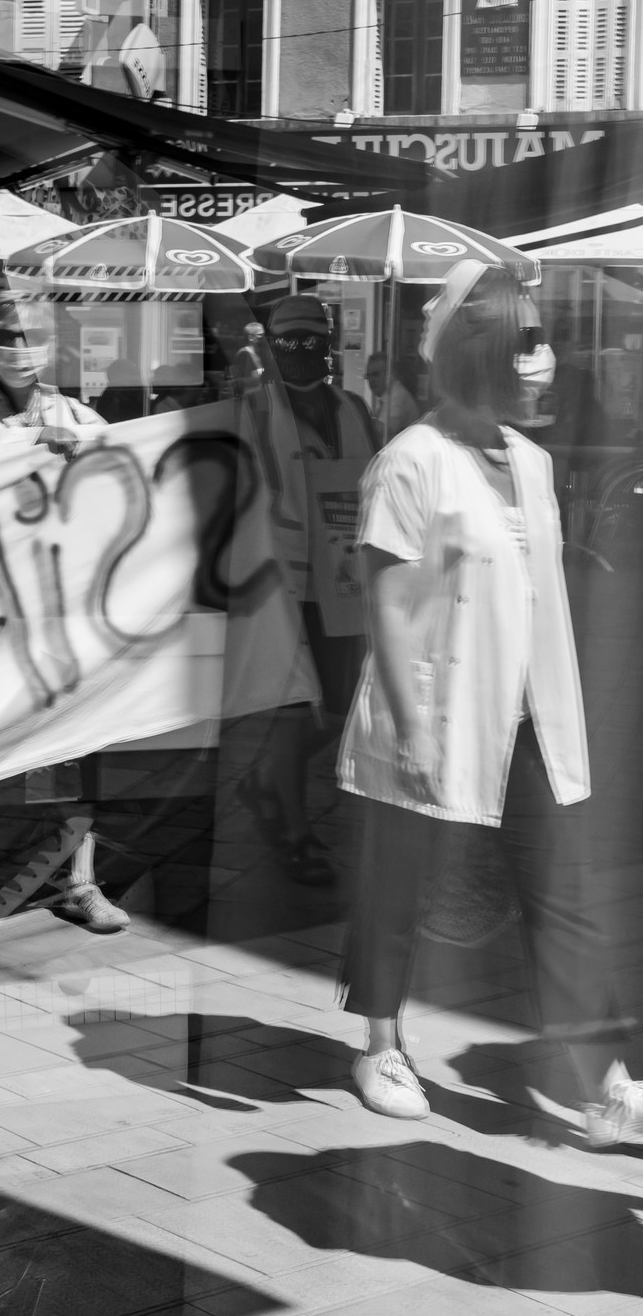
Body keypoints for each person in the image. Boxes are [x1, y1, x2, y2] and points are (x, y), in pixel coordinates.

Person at [339, 260, 643, 1144]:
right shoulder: (410, 462)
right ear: (482, 355)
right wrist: (407, 727)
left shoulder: (536, 463)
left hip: (528, 720)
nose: (547, 359)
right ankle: (381, 1045)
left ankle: (605, 1078)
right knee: (397, 886)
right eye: (529, 340)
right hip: (429, 718)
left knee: (562, 893)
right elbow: (387, 607)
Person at [0, 294, 129, 934]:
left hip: (57, 605)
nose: (21, 347)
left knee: (77, 742)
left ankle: (79, 879)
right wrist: (33, 443)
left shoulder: (79, 412)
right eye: (7, 336)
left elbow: (115, 482)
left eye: (33, 336)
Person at [241, 296, 378, 885]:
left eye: (311, 341)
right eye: (288, 344)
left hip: (343, 584)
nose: (300, 353)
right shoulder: (249, 411)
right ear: (273, 350)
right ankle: (295, 833)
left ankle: (264, 779)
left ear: (328, 343)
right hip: (280, 586)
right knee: (295, 711)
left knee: (344, 708)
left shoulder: (354, 408)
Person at [364, 350, 420, 443]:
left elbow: (386, 429)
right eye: (368, 376)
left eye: (375, 374)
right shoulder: (386, 397)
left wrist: (359, 421)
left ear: (390, 373)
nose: (371, 380)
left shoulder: (398, 395)